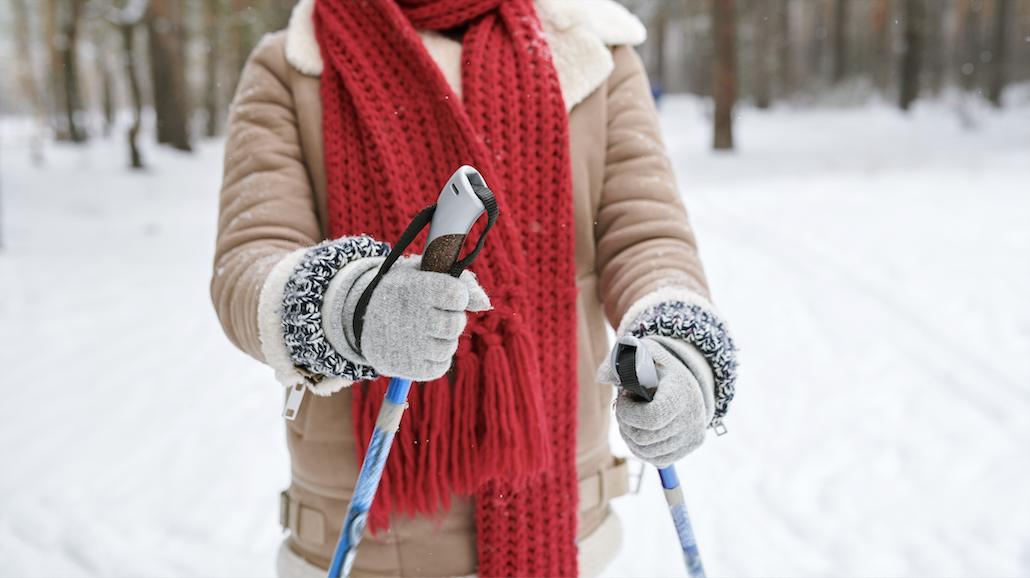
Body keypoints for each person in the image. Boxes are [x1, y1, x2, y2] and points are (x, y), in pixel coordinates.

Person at [211, 0, 737, 576]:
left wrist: (680, 348)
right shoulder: (292, 61)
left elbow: (647, 235)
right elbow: (251, 259)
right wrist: (351, 306)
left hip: (564, 515)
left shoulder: (590, 48)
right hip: (366, 540)